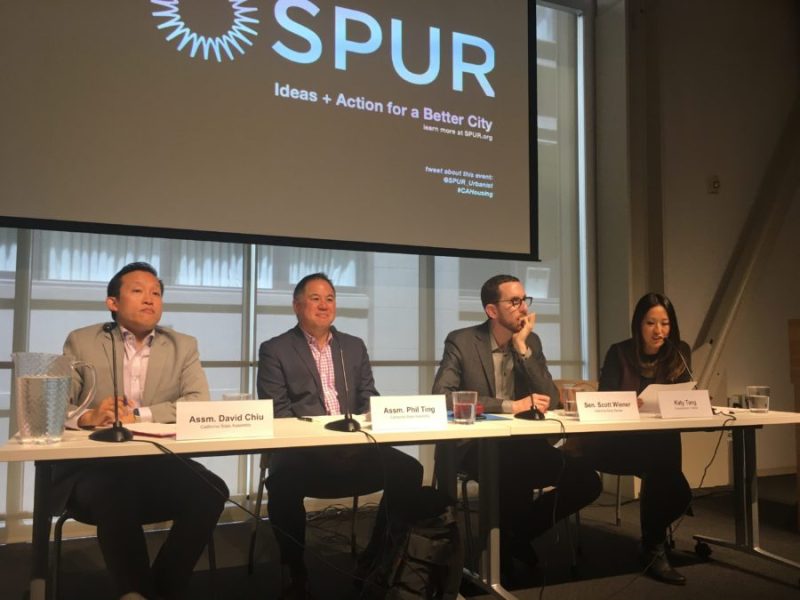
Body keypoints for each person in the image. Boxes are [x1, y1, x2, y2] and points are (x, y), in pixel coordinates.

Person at [57, 262, 228, 600]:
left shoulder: (183, 345)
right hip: (95, 469)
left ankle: (162, 588)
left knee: (212, 489)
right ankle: (135, 592)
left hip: (156, 464)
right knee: (116, 491)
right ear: (113, 302)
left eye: (156, 293)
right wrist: (90, 416)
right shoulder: (82, 341)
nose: (150, 299)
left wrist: (138, 415)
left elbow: (198, 403)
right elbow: (56, 406)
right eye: (138, 291)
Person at [257, 272, 424, 598]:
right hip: (304, 453)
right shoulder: (275, 349)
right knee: (281, 484)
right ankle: (295, 571)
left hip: (354, 450)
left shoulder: (353, 346)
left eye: (330, 299)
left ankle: (376, 559)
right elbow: (277, 412)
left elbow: (368, 397)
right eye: (315, 298)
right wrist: (322, 437)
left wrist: (374, 416)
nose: (324, 305)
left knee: (409, 471)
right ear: (297, 306)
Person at [432, 274, 601, 577]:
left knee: (587, 480)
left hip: (523, 445)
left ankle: (513, 537)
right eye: (514, 301)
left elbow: (551, 398)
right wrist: (510, 406)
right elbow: (442, 396)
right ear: (491, 310)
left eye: (525, 300)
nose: (523, 307)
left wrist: (522, 349)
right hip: (476, 447)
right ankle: (499, 559)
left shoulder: (530, 341)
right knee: (510, 471)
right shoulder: (462, 341)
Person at [582, 292, 692, 585]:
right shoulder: (619, 352)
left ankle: (651, 543)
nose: (659, 331)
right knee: (665, 471)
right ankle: (654, 548)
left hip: (659, 444)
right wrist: (629, 403)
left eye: (665, 323)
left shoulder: (679, 351)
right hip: (618, 443)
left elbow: (683, 395)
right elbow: (604, 400)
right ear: (638, 325)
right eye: (651, 323)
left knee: (676, 489)